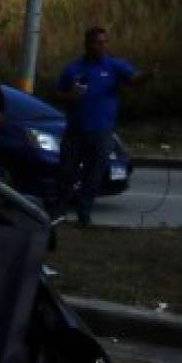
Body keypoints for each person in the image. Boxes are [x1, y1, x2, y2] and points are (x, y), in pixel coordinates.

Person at [56, 27, 151, 226]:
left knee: (94, 173)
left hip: (101, 131)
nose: (103, 46)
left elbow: (133, 80)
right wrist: (70, 96)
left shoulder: (114, 66)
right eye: (99, 42)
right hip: (75, 130)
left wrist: (146, 76)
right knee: (67, 172)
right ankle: (59, 211)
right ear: (88, 44)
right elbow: (57, 93)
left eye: (105, 42)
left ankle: (84, 213)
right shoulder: (73, 68)